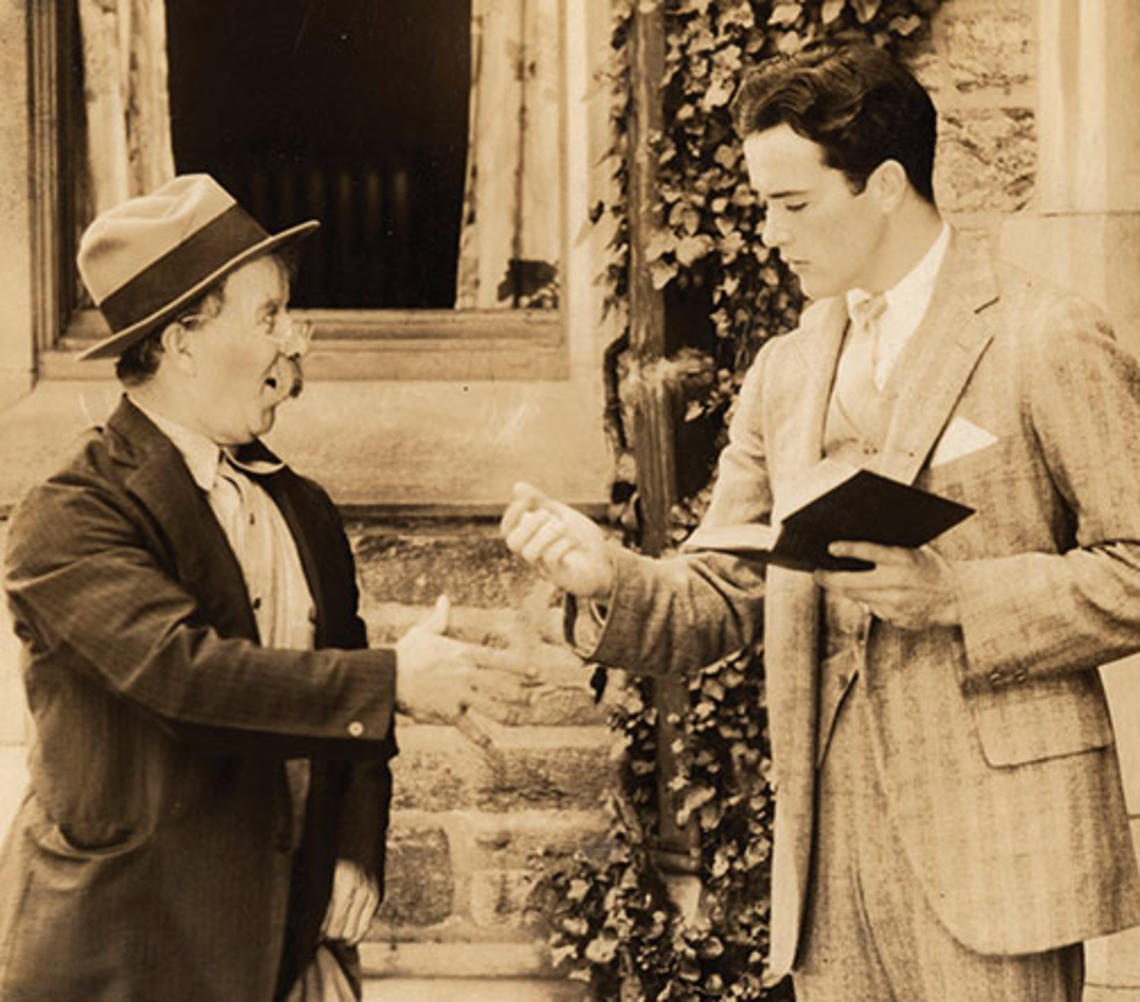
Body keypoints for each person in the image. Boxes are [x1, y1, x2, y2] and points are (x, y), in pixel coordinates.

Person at [501, 41, 1140, 1002]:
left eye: (791, 205)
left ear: (885, 185)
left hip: (998, 854)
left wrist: (955, 596)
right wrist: (607, 577)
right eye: (761, 203)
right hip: (829, 856)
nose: (770, 232)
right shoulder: (787, 371)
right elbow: (723, 586)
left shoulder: (1044, 334)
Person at [0, 173, 532, 1002]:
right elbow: (183, 677)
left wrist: (355, 845)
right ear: (182, 342)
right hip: (124, 959)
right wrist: (399, 680)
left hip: (287, 954)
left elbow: (346, 699)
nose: (297, 343)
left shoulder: (302, 506)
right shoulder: (66, 514)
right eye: (269, 316)